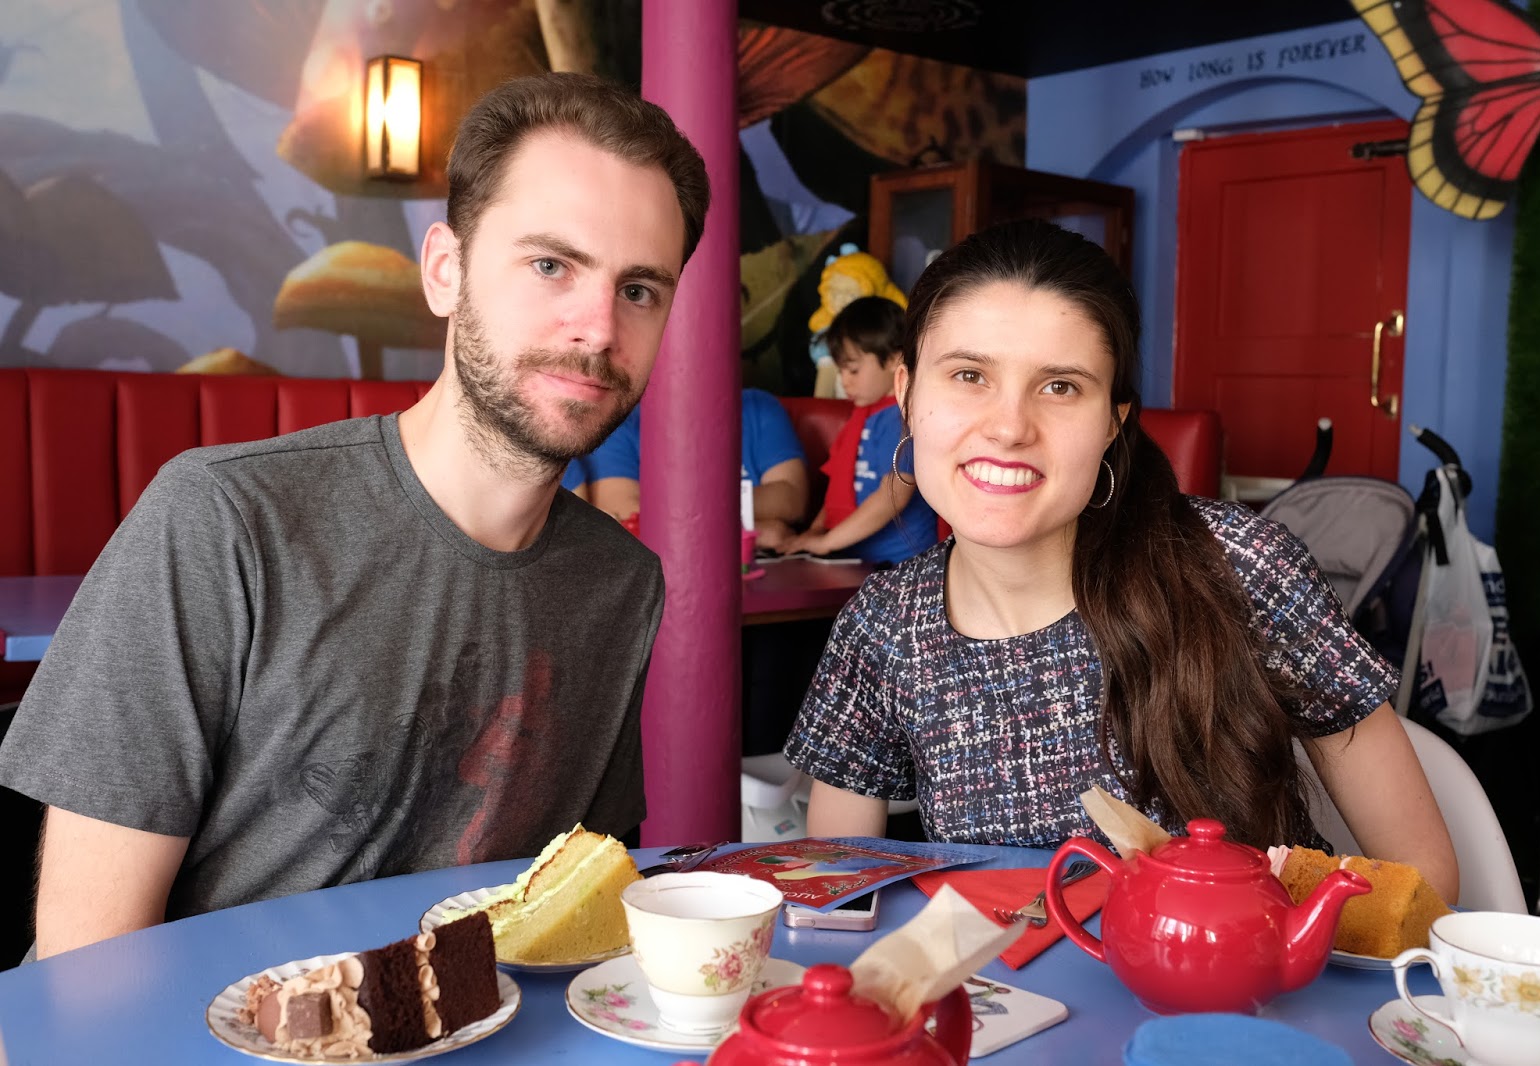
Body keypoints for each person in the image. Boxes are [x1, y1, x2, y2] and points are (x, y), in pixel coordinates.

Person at [0, 72, 711, 957]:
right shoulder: (224, 520)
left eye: (639, 289)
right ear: (445, 271)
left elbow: (569, 905)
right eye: (550, 265)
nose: (599, 328)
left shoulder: (620, 581)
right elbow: (86, 966)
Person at [784, 219, 1459, 902]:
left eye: (1060, 387)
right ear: (905, 393)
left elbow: (1422, 882)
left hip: (1245, 999)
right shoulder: (884, 626)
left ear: (1113, 420)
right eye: (969, 375)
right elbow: (837, 900)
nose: (1010, 426)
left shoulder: (1235, 565)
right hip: (1008, 1003)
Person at [777, 296, 939, 565]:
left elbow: (894, 496)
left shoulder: (904, 418)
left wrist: (827, 542)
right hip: (853, 559)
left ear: (893, 360)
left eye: (853, 370)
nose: (844, 381)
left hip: (900, 566)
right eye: (841, 371)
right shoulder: (862, 417)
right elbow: (837, 490)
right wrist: (814, 533)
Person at [577, 388, 810, 542]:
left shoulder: (759, 406)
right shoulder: (619, 423)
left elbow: (792, 500)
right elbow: (630, 520)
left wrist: (674, 516)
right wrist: (748, 532)